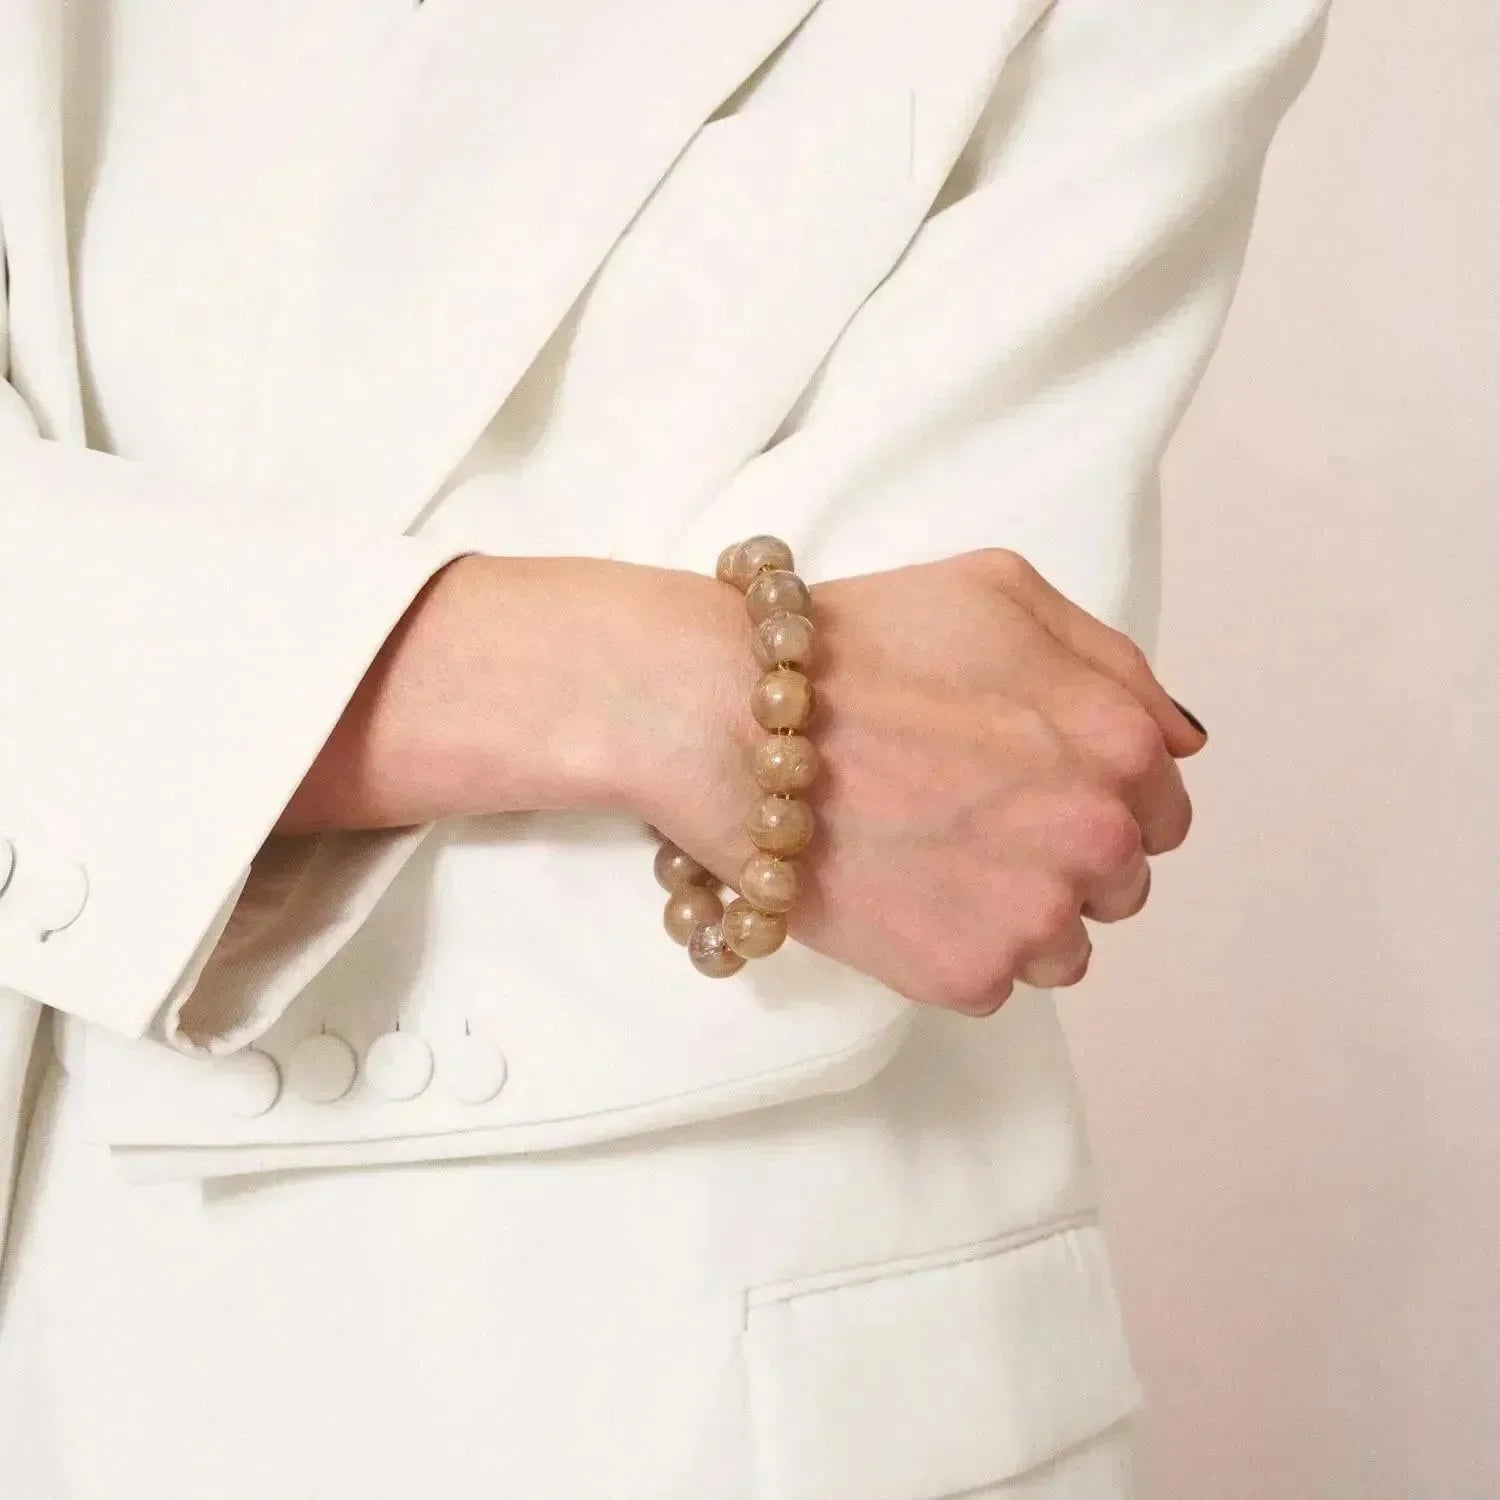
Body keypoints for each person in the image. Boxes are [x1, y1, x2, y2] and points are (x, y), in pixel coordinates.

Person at [0, 2, 1328, 1496]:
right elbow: (856, 740)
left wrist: (123, 686)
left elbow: (939, 797)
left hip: (681, 1366)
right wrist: (650, 684)